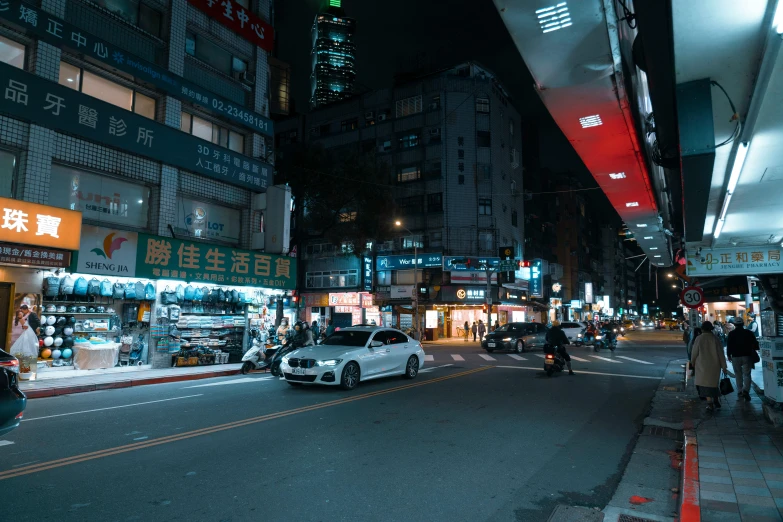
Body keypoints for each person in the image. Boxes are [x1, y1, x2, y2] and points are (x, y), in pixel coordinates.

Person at [690, 321, 728, 412]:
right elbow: (721, 353)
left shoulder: (699, 338)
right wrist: (724, 366)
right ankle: (715, 399)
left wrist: (693, 362)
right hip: (715, 366)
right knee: (713, 384)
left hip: (702, 366)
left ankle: (710, 404)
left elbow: (694, 353)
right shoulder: (715, 338)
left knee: (705, 386)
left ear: (702, 329)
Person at [726, 317, 759, 402]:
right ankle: (746, 391)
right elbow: (755, 344)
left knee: (738, 374)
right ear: (743, 324)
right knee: (747, 374)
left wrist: (729, 355)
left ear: (735, 324)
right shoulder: (749, 333)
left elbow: (729, 345)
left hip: (735, 356)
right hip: (747, 356)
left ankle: (740, 391)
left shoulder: (731, 334)